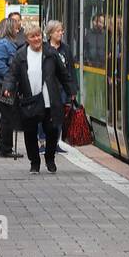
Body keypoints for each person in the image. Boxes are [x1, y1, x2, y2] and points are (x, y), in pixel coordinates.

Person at [8, 24, 74, 173]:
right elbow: (12, 74)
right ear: (27, 39)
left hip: (48, 99)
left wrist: (71, 90)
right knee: (30, 132)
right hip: (30, 100)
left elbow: (63, 74)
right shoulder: (21, 55)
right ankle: (34, 162)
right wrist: (8, 87)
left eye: (38, 35)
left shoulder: (50, 53)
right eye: (33, 36)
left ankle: (49, 157)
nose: (37, 38)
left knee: (51, 130)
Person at [0, 18, 21, 159]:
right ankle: (5, 148)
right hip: (0, 85)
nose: (18, 31)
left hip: (0, 83)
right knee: (8, 117)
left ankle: (3, 146)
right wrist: (10, 76)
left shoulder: (4, 43)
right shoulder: (4, 44)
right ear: (9, 29)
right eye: (16, 28)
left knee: (7, 116)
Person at [44, 19, 78, 156]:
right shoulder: (45, 48)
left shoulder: (66, 49)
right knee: (45, 115)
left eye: (61, 31)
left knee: (59, 117)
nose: (61, 33)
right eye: (58, 31)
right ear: (50, 33)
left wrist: (73, 89)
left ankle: (55, 143)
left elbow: (71, 70)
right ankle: (43, 142)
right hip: (48, 88)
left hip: (62, 89)